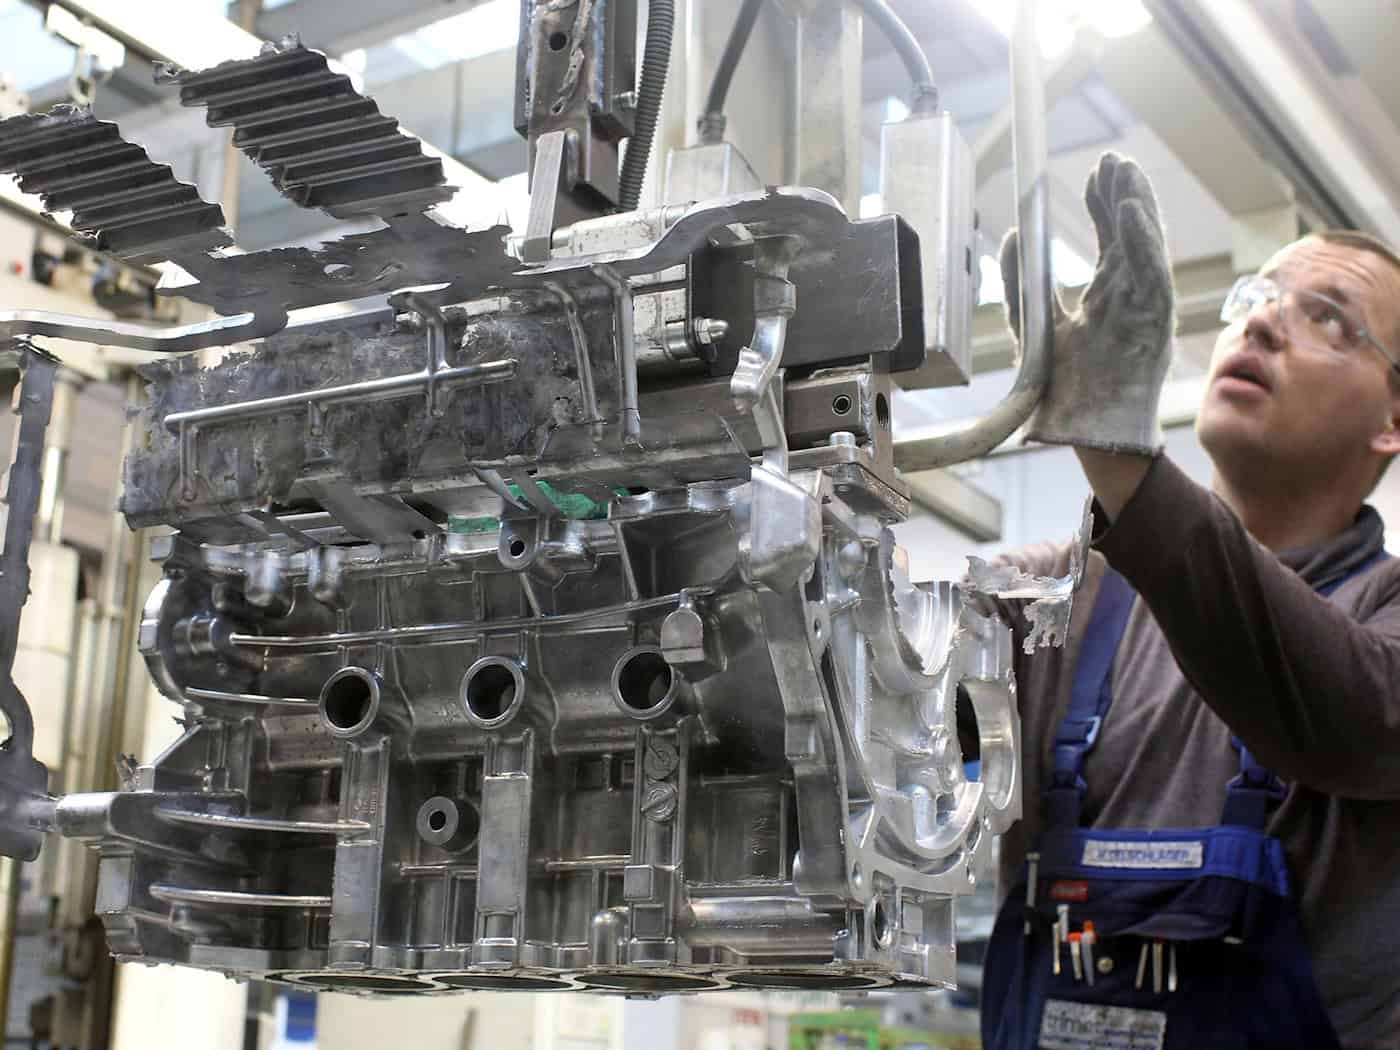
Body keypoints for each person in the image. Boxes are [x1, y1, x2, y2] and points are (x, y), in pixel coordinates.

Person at [977, 153, 1400, 1050]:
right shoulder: (1051, 597)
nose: (1265, 323)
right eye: (1258, 297)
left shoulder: (1386, 613)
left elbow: (1347, 714)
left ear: (1392, 422)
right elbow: (863, 680)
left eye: (1329, 317)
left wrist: (1123, 459)